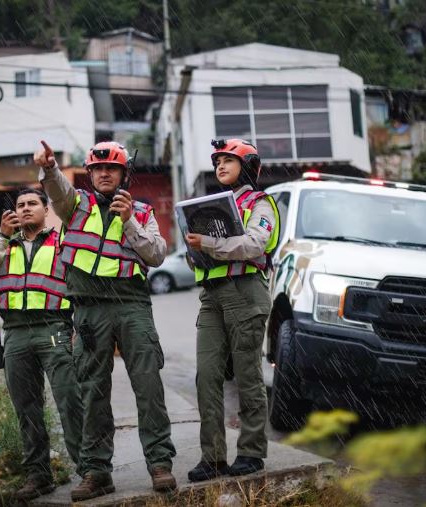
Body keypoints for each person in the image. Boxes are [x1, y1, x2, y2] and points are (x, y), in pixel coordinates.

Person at [34, 140, 177, 501]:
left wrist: (128, 222)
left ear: (124, 174)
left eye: (111, 168)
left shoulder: (141, 212)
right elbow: (57, 190)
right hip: (89, 309)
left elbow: (157, 254)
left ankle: (160, 464)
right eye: (97, 168)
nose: (103, 174)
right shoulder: (74, 205)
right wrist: (49, 168)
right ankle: (97, 472)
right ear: (90, 173)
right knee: (92, 391)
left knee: (148, 386)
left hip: (132, 305)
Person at [0, 188, 84, 500]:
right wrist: (2, 237)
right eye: (20, 205)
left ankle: (88, 470)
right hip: (16, 333)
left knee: (69, 400)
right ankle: (39, 476)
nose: (25, 209)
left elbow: (79, 285)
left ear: (46, 210)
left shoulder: (62, 242)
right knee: (26, 409)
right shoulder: (4, 245)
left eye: (32, 203)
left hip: (54, 327)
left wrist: (78, 327)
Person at [184, 139, 280, 482]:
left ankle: (252, 453)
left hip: (246, 293)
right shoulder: (211, 207)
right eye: (217, 162)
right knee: (207, 376)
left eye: (228, 160)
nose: (220, 166)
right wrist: (195, 249)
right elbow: (200, 257)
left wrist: (208, 243)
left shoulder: (260, 203)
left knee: (247, 376)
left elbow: (255, 244)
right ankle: (212, 458)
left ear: (248, 166)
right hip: (211, 297)